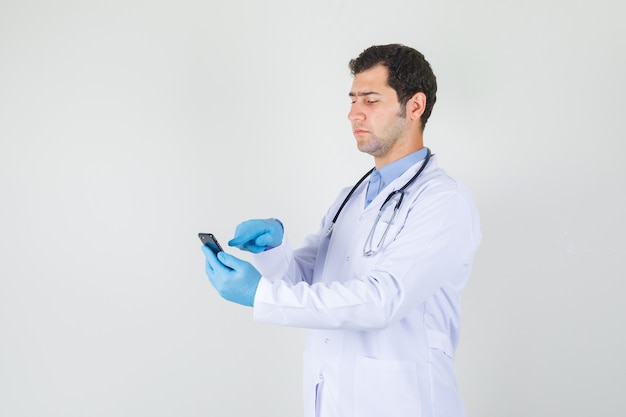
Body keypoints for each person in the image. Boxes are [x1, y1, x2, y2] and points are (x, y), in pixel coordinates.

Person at [201, 44, 481, 417]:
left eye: (370, 100)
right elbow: (314, 282)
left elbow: (384, 300)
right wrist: (273, 251)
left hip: (404, 403)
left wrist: (260, 295)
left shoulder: (443, 201)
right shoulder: (352, 197)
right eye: (352, 100)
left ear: (414, 106)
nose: (353, 114)